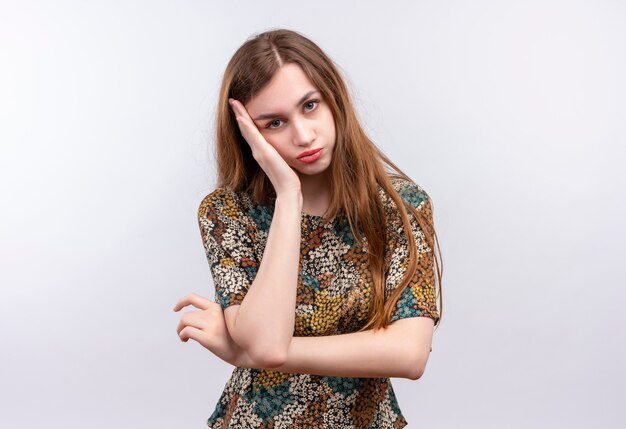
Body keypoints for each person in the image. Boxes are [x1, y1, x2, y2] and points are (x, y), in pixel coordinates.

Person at [173, 28, 443, 428]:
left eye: (310, 106)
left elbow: (410, 354)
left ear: (333, 98)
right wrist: (288, 197)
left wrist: (246, 355)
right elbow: (266, 342)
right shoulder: (227, 213)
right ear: (249, 134)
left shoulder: (399, 205)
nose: (303, 135)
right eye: (275, 123)